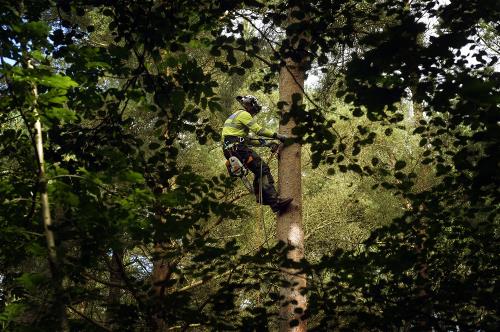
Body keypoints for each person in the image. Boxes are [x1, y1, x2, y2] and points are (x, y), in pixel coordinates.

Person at [222, 95, 293, 213]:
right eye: (254, 110)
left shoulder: (234, 118)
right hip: (238, 148)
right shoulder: (244, 114)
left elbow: (250, 140)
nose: (254, 114)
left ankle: (262, 197)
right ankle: (275, 201)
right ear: (250, 105)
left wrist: (268, 144)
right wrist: (278, 136)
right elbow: (258, 130)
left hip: (230, 150)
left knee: (258, 170)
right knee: (262, 168)